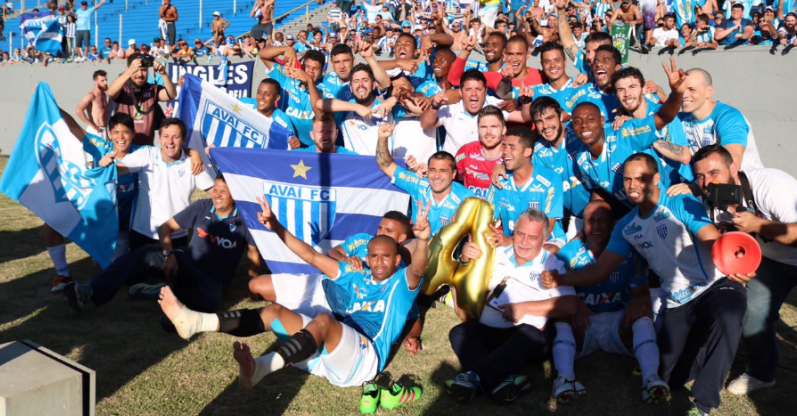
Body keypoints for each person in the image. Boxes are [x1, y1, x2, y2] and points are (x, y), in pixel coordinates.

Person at [156, 194, 430, 409]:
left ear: (396, 260)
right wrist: (275, 226)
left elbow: (417, 267)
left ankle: (260, 368)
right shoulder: (355, 273)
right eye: (374, 256)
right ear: (367, 257)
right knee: (276, 311)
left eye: (386, 257)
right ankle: (197, 321)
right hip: (329, 354)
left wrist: (424, 239)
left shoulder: (401, 284)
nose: (379, 262)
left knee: (324, 321)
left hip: (364, 360)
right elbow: (311, 256)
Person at [542, 152, 755, 416]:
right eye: (627, 180)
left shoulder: (680, 202)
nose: (632, 186)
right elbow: (599, 271)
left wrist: (731, 259)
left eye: (640, 179)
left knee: (728, 315)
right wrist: (561, 278)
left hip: (714, 285)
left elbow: (710, 237)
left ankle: (703, 403)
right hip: (678, 300)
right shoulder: (626, 226)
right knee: (669, 377)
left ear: (656, 178)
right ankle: (704, 341)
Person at [666, 145, 797, 396]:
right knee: (753, 314)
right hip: (774, 261)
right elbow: (731, 245)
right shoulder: (711, 202)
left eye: (714, 173)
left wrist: (759, 224)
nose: (707, 182)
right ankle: (762, 372)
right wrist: (736, 268)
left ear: (734, 169)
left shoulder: (771, 185)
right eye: (700, 176)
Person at [65, 174, 260, 314]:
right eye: (215, 189)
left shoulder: (245, 220)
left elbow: (252, 255)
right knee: (145, 253)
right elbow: (165, 228)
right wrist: (169, 254)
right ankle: (90, 292)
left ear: (234, 194)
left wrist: (253, 284)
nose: (216, 195)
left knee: (211, 303)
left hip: (212, 280)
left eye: (223, 191)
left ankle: (159, 292)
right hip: (185, 263)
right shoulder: (202, 206)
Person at [445, 208, 578, 404]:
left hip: (525, 337)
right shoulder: (494, 253)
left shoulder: (553, 264)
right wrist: (465, 258)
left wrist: (523, 308)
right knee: (459, 332)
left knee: (529, 335)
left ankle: (476, 377)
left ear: (544, 238)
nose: (524, 242)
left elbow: (570, 305)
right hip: (490, 330)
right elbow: (463, 279)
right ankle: (505, 380)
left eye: (532, 237)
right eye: (520, 234)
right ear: (513, 232)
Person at [551, 201, 668, 404]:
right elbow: (555, 293)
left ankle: (651, 379)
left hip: (617, 323)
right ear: (583, 224)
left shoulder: (628, 252)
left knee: (642, 313)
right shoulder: (567, 254)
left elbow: (641, 293)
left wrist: (637, 300)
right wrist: (574, 304)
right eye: (591, 221)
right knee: (561, 315)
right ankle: (565, 378)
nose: (596, 226)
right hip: (584, 323)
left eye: (602, 221)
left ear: (613, 224)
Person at [567, 58, 688, 213]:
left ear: (644, 88)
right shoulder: (620, 126)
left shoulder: (636, 126)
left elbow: (685, 156)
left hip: (680, 193)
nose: (627, 94)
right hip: (640, 212)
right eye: (621, 90)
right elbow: (600, 188)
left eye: (632, 87)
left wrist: (645, 135)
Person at [97, 118, 213, 251]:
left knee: (173, 271)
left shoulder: (193, 164)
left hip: (176, 234)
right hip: (142, 233)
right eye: (165, 136)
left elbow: (216, 192)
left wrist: (211, 157)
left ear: (184, 139)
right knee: (139, 272)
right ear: (159, 138)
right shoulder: (146, 154)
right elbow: (118, 170)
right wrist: (106, 165)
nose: (169, 141)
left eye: (175, 137)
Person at [375, 123, 475, 236]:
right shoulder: (418, 183)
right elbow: (386, 165)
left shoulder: (467, 198)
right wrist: (382, 138)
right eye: (432, 169)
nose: (436, 175)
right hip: (418, 248)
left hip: (447, 252)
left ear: (453, 174)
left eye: (443, 171)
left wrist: (465, 228)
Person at [487, 126, 565, 252]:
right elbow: (487, 218)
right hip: (512, 243)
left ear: (528, 152)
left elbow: (548, 227)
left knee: (546, 253)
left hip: (548, 241)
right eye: (504, 146)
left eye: (512, 147)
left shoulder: (551, 179)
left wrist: (511, 241)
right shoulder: (499, 179)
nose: (505, 151)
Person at [676, 68, 764, 170]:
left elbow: (732, 164)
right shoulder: (682, 118)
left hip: (744, 183)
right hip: (707, 182)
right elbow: (659, 115)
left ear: (709, 91)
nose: (684, 95)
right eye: (681, 89)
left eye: (692, 89)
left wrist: (694, 186)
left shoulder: (729, 117)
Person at [421, 69, 516, 155]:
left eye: (478, 89)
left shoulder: (495, 105)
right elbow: (426, 124)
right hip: (453, 170)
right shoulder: (451, 108)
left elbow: (523, 117)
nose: (473, 94)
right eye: (468, 89)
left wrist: (519, 102)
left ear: (486, 91)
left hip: (484, 170)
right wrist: (434, 106)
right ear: (460, 92)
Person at [316, 56, 392, 156]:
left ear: (373, 85)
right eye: (356, 81)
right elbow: (320, 104)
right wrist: (356, 107)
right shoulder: (346, 108)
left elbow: (415, 106)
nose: (360, 84)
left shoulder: (386, 105)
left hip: (385, 167)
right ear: (351, 88)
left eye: (365, 80)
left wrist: (393, 99)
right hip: (356, 167)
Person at [107, 54, 178, 146]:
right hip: (123, 149)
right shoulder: (123, 88)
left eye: (144, 70)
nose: (140, 74)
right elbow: (111, 92)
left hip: (146, 149)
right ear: (128, 69)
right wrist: (128, 72)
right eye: (136, 70)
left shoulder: (152, 89)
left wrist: (163, 73)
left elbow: (171, 94)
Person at [261, 46, 324, 148]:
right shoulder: (288, 78)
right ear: (302, 67)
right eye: (308, 66)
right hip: (285, 142)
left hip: (311, 148)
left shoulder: (324, 89)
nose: (311, 71)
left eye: (316, 69)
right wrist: (286, 49)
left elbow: (319, 113)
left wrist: (310, 82)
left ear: (322, 72)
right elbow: (263, 55)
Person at [455, 105, 505, 198]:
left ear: (504, 129)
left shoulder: (512, 153)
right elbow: (449, 175)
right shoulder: (466, 151)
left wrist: (504, 166)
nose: (488, 131)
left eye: (494, 126)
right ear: (478, 129)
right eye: (483, 127)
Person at [75, 70, 108, 139]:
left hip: (104, 130)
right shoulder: (91, 95)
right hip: (95, 131)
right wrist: (92, 125)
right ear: (96, 82)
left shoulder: (104, 95)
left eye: (106, 80)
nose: (105, 83)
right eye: (102, 81)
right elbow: (78, 110)